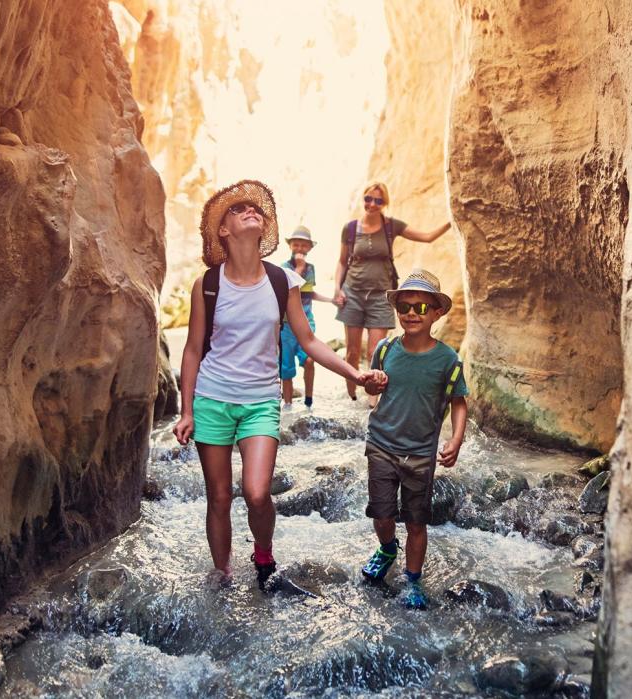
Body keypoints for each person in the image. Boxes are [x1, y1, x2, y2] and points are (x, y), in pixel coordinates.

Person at [172, 180, 387, 590]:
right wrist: (186, 410)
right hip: (212, 399)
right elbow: (193, 350)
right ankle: (222, 576)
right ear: (224, 230)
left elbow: (308, 341)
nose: (249, 211)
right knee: (217, 497)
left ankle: (263, 553)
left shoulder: (282, 280)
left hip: (259, 402)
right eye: (238, 210)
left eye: (255, 209)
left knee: (256, 493)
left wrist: (353, 373)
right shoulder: (208, 283)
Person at [358, 269, 468, 609]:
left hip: (420, 454)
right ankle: (388, 547)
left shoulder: (448, 359)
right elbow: (372, 390)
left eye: (420, 308)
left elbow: (459, 402)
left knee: (417, 521)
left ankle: (413, 580)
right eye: (405, 306)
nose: (411, 313)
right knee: (382, 514)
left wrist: (456, 439)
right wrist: (371, 386)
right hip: (381, 445)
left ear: (436, 313)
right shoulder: (386, 348)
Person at [334, 182, 452, 405]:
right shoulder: (350, 229)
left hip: (380, 296)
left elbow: (427, 237)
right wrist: (337, 289)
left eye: (378, 201)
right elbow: (341, 262)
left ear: (384, 203)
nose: (372, 204)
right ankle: (350, 398)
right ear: (363, 198)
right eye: (368, 199)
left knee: (375, 352)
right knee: (351, 352)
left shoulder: (391, 226)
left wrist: (452, 218)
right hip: (353, 294)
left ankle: (372, 402)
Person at [279, 225, 333, 411]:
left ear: (309, 248)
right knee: (286, 367)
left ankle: (309, 401)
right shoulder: (284, 268)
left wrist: (331, 300)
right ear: (290, 246)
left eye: (304, 245)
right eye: (296, 244)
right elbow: (286, 288)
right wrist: (299, 268)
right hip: (286, 325)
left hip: (307, 322)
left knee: (310, 360)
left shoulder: (311, 269)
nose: (300, 249)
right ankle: (287, 405)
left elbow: (309, 294)